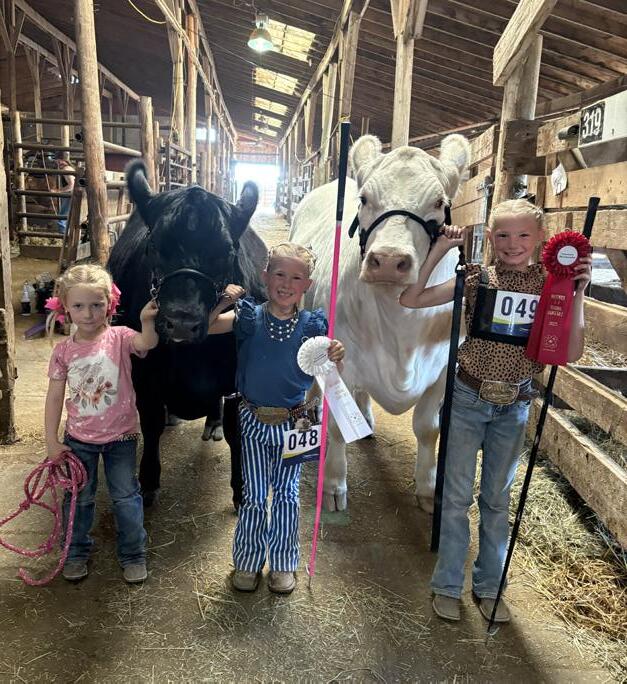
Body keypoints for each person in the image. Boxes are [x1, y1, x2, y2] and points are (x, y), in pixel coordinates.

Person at [399, 199, 592, 623]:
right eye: (502, 235)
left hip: (514, 405)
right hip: (468, 398)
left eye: (523, 235)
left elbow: (572, 351)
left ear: (540, 239)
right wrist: (439, 251)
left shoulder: (551, 286)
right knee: (455, 497)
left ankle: (489, 586)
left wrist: (578, 293)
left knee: (497, 500)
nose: (512, 243)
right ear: (490, 237)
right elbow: (411, 298)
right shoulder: (476, 279)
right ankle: (447, 583)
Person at [208, 242, 345, 595]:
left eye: (296, 278)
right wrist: (223, 301)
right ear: (265, 277)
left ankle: (284, 563)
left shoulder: (313, 326)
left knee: (286, 495)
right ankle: (248, 561)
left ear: (307, 285)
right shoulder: (247, 317)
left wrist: (336, 354)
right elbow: (206, 328)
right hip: (252, 419)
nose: (286, 284)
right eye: (279, 274)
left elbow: (328, 373)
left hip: (295, 423)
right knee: (254, 495)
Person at [45, 264, 159, 583]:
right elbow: (54, 397)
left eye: (97, 304)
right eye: (79, 305)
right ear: (65, 307)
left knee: (126, 497)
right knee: (79, 498)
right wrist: (52, 440)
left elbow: (147, 343)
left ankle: (133, 553)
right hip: (78, 440)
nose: (88, 313)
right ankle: (75, 552)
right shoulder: (63, 352)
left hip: (121, 439)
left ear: (109, 303)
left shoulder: (120, 337)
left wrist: (147, 321)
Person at [56, 157, 75, 234]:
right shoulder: (70, 168)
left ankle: (63, 233)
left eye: (60, 161)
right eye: (57, 161)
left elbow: (71, 185)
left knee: (63, 213)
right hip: (71, 193)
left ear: (65, 161)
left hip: (69, 193)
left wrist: (58, 191)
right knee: (66, 212)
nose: (58, 163)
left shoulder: (66, 169)